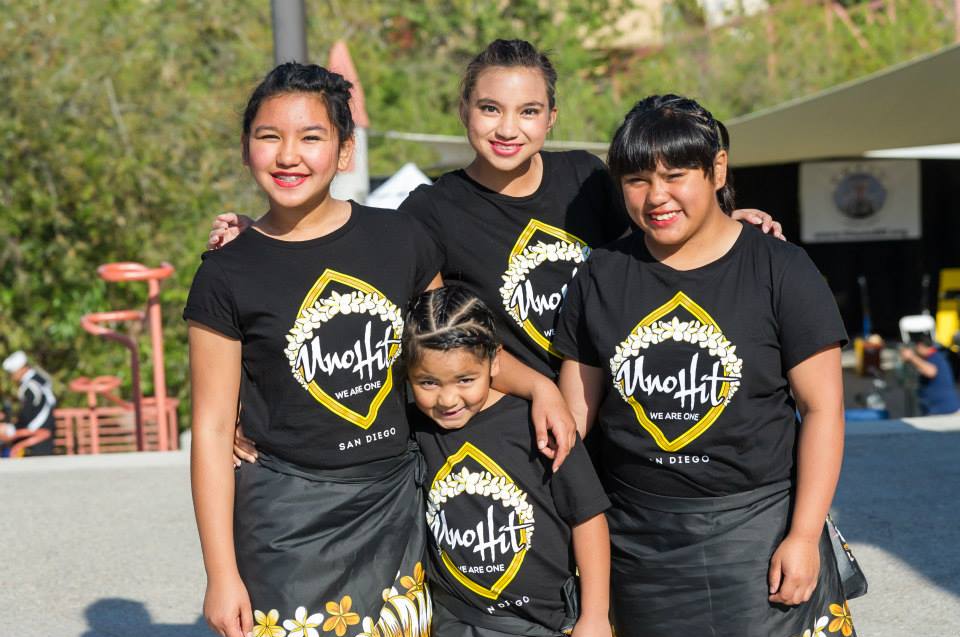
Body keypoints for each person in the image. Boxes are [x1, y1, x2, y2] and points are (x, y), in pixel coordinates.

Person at [209, 39, 783, 385]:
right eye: (489, 108)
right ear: (464, 109)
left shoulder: (586, 177)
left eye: (528, 110)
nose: (507, 128)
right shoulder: (430, 209)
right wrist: (260, 231)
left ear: (552, 117)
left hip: (620, 397)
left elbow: (663, 236)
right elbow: (349, 254)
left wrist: (730, 222)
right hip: (511, 415)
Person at [554, 95, 855, 637]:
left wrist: (804, 536)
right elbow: (576, 415)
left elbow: (824, 408)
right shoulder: (601, 274)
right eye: (637, 180)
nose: (657, 197)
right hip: (638, 541)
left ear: (717, 169)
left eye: (675, 175)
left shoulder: (780, 267)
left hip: (759, 531)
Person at [184, 63, 444, 637]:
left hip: (396, 508)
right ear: (247, 147)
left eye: (311, 137)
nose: (287, 156)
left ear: (345, 151)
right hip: (285, 520)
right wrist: (220, 574)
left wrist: (541, 387)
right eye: (269, 137)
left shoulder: (401, 241)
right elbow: (208, 428)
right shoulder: (226, 273)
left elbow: (450, 361)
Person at [404, 286, 612, 637]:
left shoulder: (542, 424)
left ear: (495, 361)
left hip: (544, 623)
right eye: (428, 382)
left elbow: (588, 517)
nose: (448, 398)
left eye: (465, 379)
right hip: (458, 618)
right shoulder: (416, 426)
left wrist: (594, 616)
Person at [0, 351, 57, 457]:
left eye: (13, 373)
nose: (12, 376)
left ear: (22, 369)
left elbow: (27, 415)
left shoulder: (31, 386)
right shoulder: (39, 380)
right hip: (40, 432)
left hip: (38, 436)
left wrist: (12, 429)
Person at [900, 336, 960, 415]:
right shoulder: (931, 357)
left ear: (920, 346)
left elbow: (931, 371)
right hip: (937, 409)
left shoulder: (935, 356)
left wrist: (912, 357)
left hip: (945, 410)